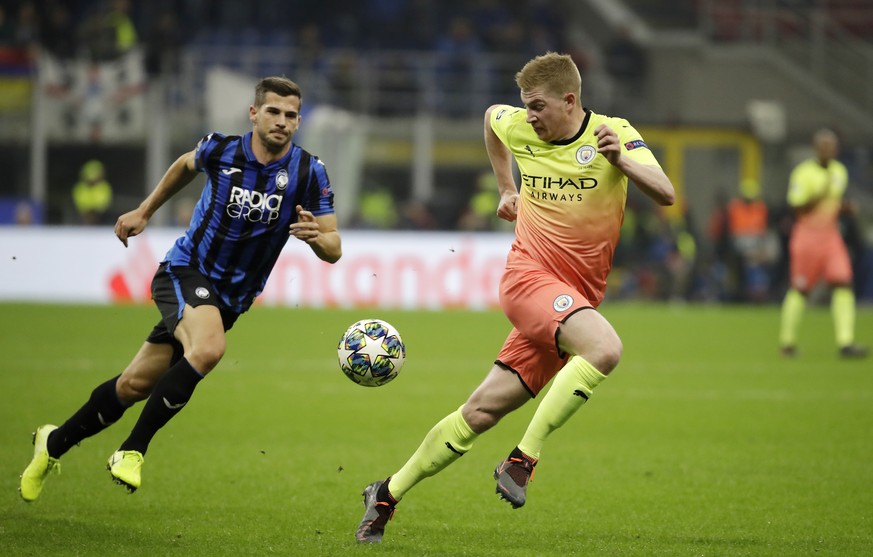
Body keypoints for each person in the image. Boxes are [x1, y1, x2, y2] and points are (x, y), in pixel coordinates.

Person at [355, 52, 674, 543]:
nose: (528, 116)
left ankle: (386, 493)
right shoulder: (519, 125)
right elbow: (490, 118)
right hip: (529, 280)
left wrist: (622, 161)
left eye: (538, 106)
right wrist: (507, 188)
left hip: (574, 299)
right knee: (605, 349)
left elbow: (666, 192)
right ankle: (523, 459)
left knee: (480, 412)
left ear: (570, 101)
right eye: (525, 106)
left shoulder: (612, 133)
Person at [19, 76, 342, 502]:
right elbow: (185, 165)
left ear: (298, 121)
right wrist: (144, 210)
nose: (281, 121)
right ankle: (132, 451)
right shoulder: (222, 149)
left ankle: (53, 442)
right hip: (185, 270)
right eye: (273, 112)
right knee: (208, 350)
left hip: (231, 300)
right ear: (254, 113)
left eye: (290, 115)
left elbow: (334, 247)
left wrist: (316, 239)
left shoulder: (307, 171)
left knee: (134, 386)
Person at [778, 128, 868, 358]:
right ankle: (787, 342)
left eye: (832, 145)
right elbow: (796, 207)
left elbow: (833, 203)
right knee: (800, 289)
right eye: (824, 145)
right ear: (816, 148)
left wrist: (845, 208)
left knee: (843, 283)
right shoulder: (803, 173)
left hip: (831, 238)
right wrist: (820, 193)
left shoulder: (840, 171)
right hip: (807, 238)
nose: (828, 149)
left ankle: (845, 342)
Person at [72, 159, 113, 225]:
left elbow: (104, 204)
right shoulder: (80, 187)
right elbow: (79, 204)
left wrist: (94, 211)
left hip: (100, 217)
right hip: (83, 216)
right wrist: (87, 212)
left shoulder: (104, 186)